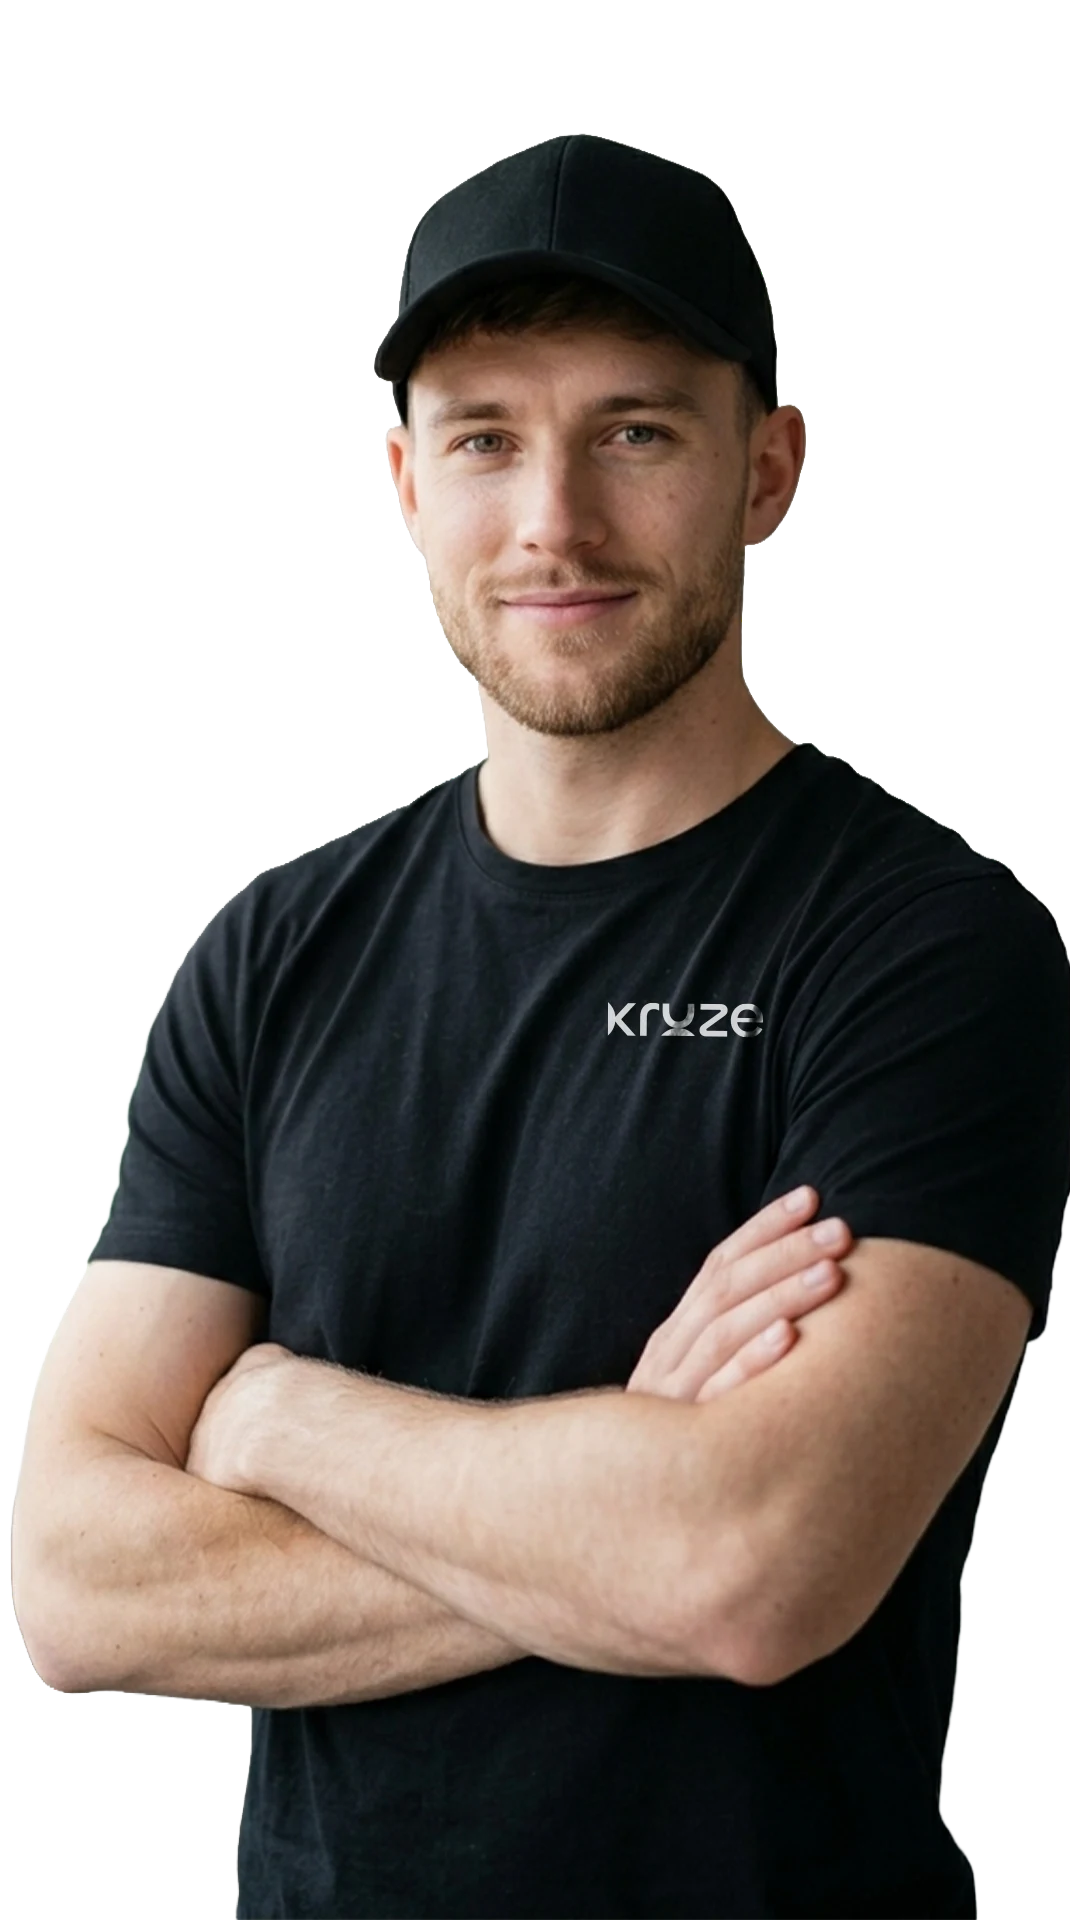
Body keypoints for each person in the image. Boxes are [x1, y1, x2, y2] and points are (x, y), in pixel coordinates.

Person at [13, 136, 1069, 1919]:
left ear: (770, 469)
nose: (555, 523)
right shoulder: (269, 953)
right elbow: (74, 1588)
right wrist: (619, 1499)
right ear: (406, 481)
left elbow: (752, 1567)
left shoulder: (925, 946)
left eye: (635, 433)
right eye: (488, 439)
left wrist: (270, 1420)